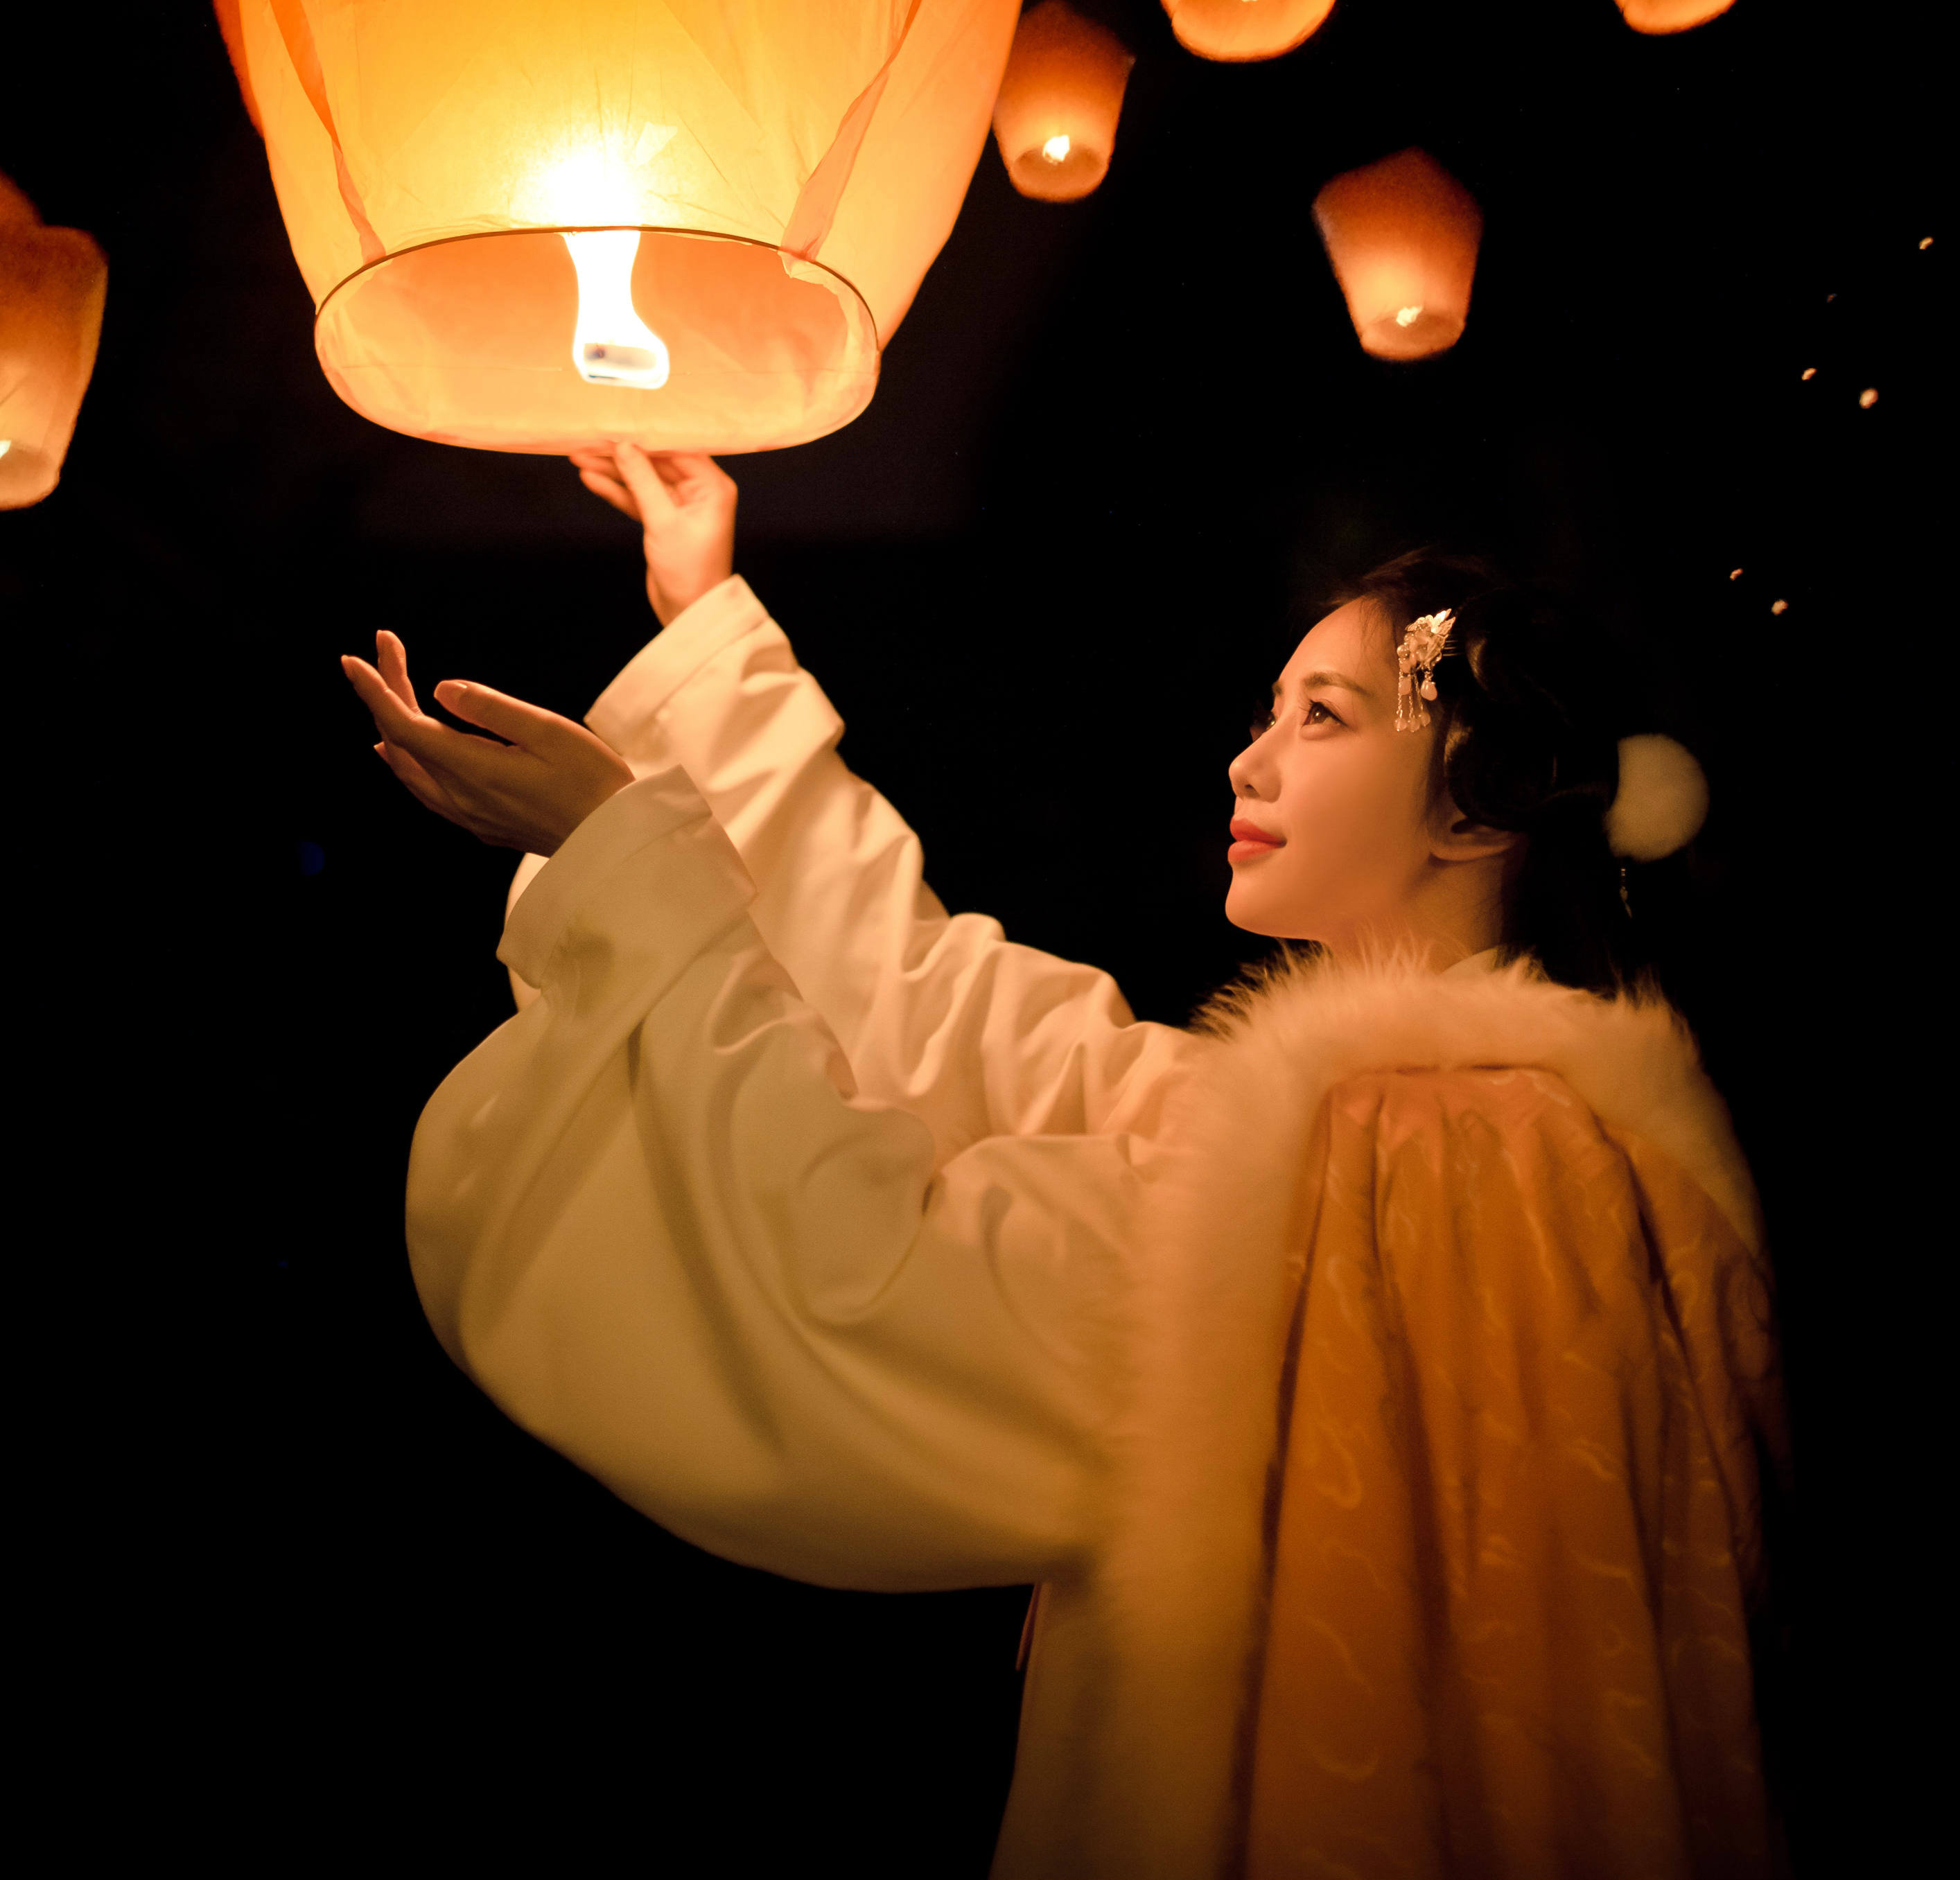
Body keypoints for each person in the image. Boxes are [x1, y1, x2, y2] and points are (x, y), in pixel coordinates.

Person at [344, 446, 1787, 1880]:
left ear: (1473, 808)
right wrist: (706, 619)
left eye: (1326, 717)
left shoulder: (1363, 1162)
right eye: (1267, 711)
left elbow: (863, 1276)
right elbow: (934, 1005)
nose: (1250, 760)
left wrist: (634, 866)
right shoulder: (1537, 1147)